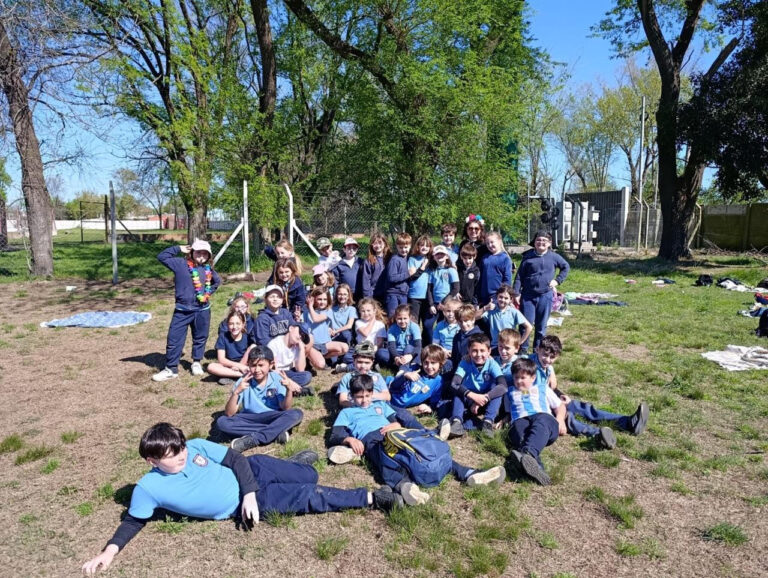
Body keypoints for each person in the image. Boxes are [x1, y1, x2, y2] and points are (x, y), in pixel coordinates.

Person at [81, 423, 400, 575]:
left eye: (180, 449)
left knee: (310, 475)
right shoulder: (148, 489)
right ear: (151, 461)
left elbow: (235, 460)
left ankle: (296, 466)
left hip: (251, 472)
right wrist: (108, 553)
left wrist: (247, 491)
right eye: (171, 455)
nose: (181, 456)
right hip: (248, 504)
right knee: (309, 495)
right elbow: (134, 520)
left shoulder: (193, 445)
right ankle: (374, 498)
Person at [327, 375, 506, 505]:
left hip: (396, 433)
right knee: (384, 458)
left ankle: (470, 474)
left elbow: (394, 421)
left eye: (367, 396)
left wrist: (395, 425)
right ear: (352, 396)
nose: (364, 401)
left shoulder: (380, 404)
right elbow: (335, 435)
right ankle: (404, 486)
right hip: (371, 439)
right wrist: (350, 440)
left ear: (372, 393)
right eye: (359, 397)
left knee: (425, 449)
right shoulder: (347, 412)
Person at [535, 335, 650, 449]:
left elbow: (548, 387)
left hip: (552, 399)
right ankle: (598, 434)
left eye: (552, 357)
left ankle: (628, 422)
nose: (548, 360)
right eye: (545, 355)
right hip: (540, 406)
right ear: (537, 349)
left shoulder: (547, 366)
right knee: (568, 418)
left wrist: (559, 395)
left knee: (583, 408)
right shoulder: (530, 367)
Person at [152, 240, 221, 382]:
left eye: (205, 253)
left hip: (202, 310)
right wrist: (178, 248)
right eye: (198, 252)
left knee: (200, 337)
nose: (201, 256)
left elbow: (217, 281)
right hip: (182, 311)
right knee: (174, 338)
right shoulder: (180, 264)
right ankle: (171, 368)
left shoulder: (208, 269)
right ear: (191, 252)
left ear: (209, 256)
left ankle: (196, 362)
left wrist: (207, 294)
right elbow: (162, 257)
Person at [215, 346, 304, 453]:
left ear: (271, 365)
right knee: (222, 422)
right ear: (248, 364)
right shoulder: (243, 381)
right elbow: (229, 413)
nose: (257, 370)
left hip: (271, 416)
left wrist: (289, 390)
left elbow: (285, 408)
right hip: (249, 418)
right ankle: (275, 432)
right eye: (253, 365)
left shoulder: (276, 379)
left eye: (261, 365)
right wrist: (236, 393)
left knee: (296, 413)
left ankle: (255, 439)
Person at [506, 357, 566, 486]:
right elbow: (506, 411)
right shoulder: (510, 391)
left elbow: (559, 406)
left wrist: (560, 420)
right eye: (516, 377)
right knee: (519, 433)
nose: (518, 381)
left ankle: (527, 454)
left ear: (533, 377)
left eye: (523, 378)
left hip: (542, 416)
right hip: (520, 419)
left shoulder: (542, 388)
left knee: (541, 424)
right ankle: (536, 469)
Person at [512, 230, 570, 352]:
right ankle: (522, 350)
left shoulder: (554, 257)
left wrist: (557, 281)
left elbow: (566, 267)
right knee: (524, 325)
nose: (541, 242)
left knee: (541, 327)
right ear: (534, 242)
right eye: (538, 240)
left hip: (545, 296)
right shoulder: (527, 257)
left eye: (544, 240)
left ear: (549, 243)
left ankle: (537, 351)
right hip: (528, 296)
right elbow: (519, 277)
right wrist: (516, 293)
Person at [442, 333, 507, 438]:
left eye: (482, 351)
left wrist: (485, 397)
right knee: (459, 389)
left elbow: (503, 386)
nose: (478, 354)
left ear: (489, 351)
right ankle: (457, 422)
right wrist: (473, 396)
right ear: (469, 350)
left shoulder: (492, 364)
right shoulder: (465, 362)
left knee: (497, 388)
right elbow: (454, 383)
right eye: (474, 351)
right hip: (468, 399)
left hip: (484, 401)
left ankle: (487, 422)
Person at [388, 344, 447, 415]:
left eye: (433, 363)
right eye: (426, 362)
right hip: (389, 395)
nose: (429, 366)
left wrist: (429, 408)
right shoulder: (414, 369)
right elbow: (393, 386)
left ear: (440, 364)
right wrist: (405, 376)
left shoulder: (438, 381)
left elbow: (435, 401)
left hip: (400, 407)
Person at [304, 287, 350, 370]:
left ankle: (322, 356)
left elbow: (316, 319)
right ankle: (310, 357)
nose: (322, 302)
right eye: (319, 299)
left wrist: (310, 307)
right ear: (314, 299)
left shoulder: (328, 311)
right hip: (312, 344)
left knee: (345, 347)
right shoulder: (307, 312)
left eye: (325, 299)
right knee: (321, 365)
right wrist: (298, 317)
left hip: (325, 343)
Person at [477, 285, 532, 351]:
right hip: (495, 346)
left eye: (506, 298)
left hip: (509, 345)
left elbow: (529, 327)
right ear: (496, 297)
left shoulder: (513, 311)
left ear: (510, 299)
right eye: (500, 297)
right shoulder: (491, 310)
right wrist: (485, 308)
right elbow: (473, 318)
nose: (503, 300)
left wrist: (520, 342)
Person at [424, 245, 460, 343]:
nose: (440, 256)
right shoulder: (432, 271)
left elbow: (456, 288)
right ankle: (431, 345)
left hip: (447, 304)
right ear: (434, 257)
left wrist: (444, 302)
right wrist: (431, 304)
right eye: (437, 254)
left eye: (442, 254)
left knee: (443, 324)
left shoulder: (451, 270)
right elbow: (429, 289)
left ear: (447, 256)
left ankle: (443, 345)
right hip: (435, 304)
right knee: (427, 324)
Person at [267, 320, 314, 394]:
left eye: (303, 337)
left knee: (307, 376)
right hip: (275, 373)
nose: (300, 337)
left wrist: (302, 350)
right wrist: (290, 382)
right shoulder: (275, 344)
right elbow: (273, 369)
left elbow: (300, 370)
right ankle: (294, 390)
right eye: (300, 333)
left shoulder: (297, 346)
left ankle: (287, 389)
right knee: (271, 378)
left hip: (288, 373)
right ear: (291, 328)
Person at [207, 311, 252, 386]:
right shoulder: (223, 336)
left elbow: (251, 356)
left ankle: (231, 375)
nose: (234, 327)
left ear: (243, 324)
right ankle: (243, 375)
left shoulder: (248, 337)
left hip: (245, 364)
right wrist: (239, 366)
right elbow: (221, 359)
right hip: (229, 365)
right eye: (231, 324)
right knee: (211, 367)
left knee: (253, 346)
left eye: (238, 323)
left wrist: (242, 365)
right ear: (227, 324)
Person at [477, 231, 513, 307]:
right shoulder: (485, 258)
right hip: (484, 296)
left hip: (497, 297)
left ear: (499, 241)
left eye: (492, 242)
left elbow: (507, 280)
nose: (490, 245)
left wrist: (503, 295)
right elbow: (479, 278)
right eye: (487, 243)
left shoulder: (505, 259)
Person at [383, 304, 422, 371]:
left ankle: (402, 370)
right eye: (399, 319)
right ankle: (402, 364)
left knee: (408, 347)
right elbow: (391, 346)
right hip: (398, 352)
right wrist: (396, 357)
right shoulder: (392, 329)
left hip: (411, 352)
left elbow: (418, 346)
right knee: (380, 353)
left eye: (405, 318)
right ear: (396, 318)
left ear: (409, 317)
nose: (402, 321)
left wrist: (410, 356)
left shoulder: (415, 327)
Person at [329, 283, 357, 372]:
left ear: (349, 296)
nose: (342, 296)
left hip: (344, 335)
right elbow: (327, 322)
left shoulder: (351, 309)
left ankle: (344, 355)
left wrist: (337, 330)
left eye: (345, 294)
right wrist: (329, 329)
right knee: (333, 362)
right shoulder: (331, 309)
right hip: (333, 336)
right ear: (336, 295)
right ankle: (337, 357)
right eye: (340, 294)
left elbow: (349, 325)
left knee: (346, 334)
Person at [354, 297, 389, 367]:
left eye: (368, 311)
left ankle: (372, 362)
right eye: (363, 311)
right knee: (347, 357)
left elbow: (380, 342)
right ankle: (351, 366)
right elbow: (365, 333)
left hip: (374, 349)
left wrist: (373, 350)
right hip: (362, 348)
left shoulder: (380, 324)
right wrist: (372, 320)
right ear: (360, 312)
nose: (366, 313)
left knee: (383, 355)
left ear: (374, 311)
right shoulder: (358, 322)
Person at [407, 235, 433, 327]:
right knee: (414, 322)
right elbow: (412, 277)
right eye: (422, 245)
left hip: (428, 297)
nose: (424, 247)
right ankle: (416, 341)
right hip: (415, 295)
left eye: (427, 246)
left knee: (427, 324)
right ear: (418, 246)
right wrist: (422, 267)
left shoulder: (432, 260)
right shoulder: (412, 259)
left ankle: (426, 341)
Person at [450, 304, 484, 372]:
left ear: (473, 320)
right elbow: (454, 357)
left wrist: (470, 356)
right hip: (458, 370)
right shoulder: (457, 337)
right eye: (460, 321)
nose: (463, 324)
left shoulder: (480, 337)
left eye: (466, 321)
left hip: (474, 370)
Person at [385, 232, 412, 318]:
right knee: (393, 317)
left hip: (404, 294)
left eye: (406, 247)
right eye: (401, 248)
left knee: (403, 317)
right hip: (394, 294)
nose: (404, 250)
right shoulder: (395, 260)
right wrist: (408, 274)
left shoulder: (408, 259)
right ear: (397, 246)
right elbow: (392, 277)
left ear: (410, 246)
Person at [432, 296, 461, 373]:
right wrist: (443, 351)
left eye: (454, 311)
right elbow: (435, 344)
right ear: (444, 312)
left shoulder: (461, 325)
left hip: (458, 352)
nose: (451, 314)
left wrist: (453, 351)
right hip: (443, 353)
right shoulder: (440, 326)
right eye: (448, 311)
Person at [361, 232, 390, 307]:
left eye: (380, 243)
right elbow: (366, 281)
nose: (378, 246)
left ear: (385, 243)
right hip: (374, 295)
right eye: (375, 243)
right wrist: (368, 298)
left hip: (387, 294)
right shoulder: (368, 261)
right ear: (371, 245)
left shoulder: (390, 259)